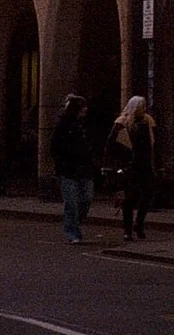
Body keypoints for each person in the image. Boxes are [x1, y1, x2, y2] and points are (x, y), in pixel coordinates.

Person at [105, 94, 157, 242]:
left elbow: (153, 144)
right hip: (129, 165)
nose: (144, 110)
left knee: (147, 195)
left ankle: (139, 224)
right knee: (129, 199)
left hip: (145, 163)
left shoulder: (148, 121)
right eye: (141, 107)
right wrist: (112, 165)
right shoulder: (122, 123)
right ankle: (127, 230)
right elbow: (111, 145)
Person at [49, 93, 96, 245]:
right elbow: (54, 147)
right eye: (83, 107)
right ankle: (73, 233)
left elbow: (90, 146)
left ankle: (75, 222)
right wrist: (62, 162)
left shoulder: (86, 125)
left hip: (85, 169)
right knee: (71, 203)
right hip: (68, 170)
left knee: (86, 199)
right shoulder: (63, 125)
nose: (86, 109)